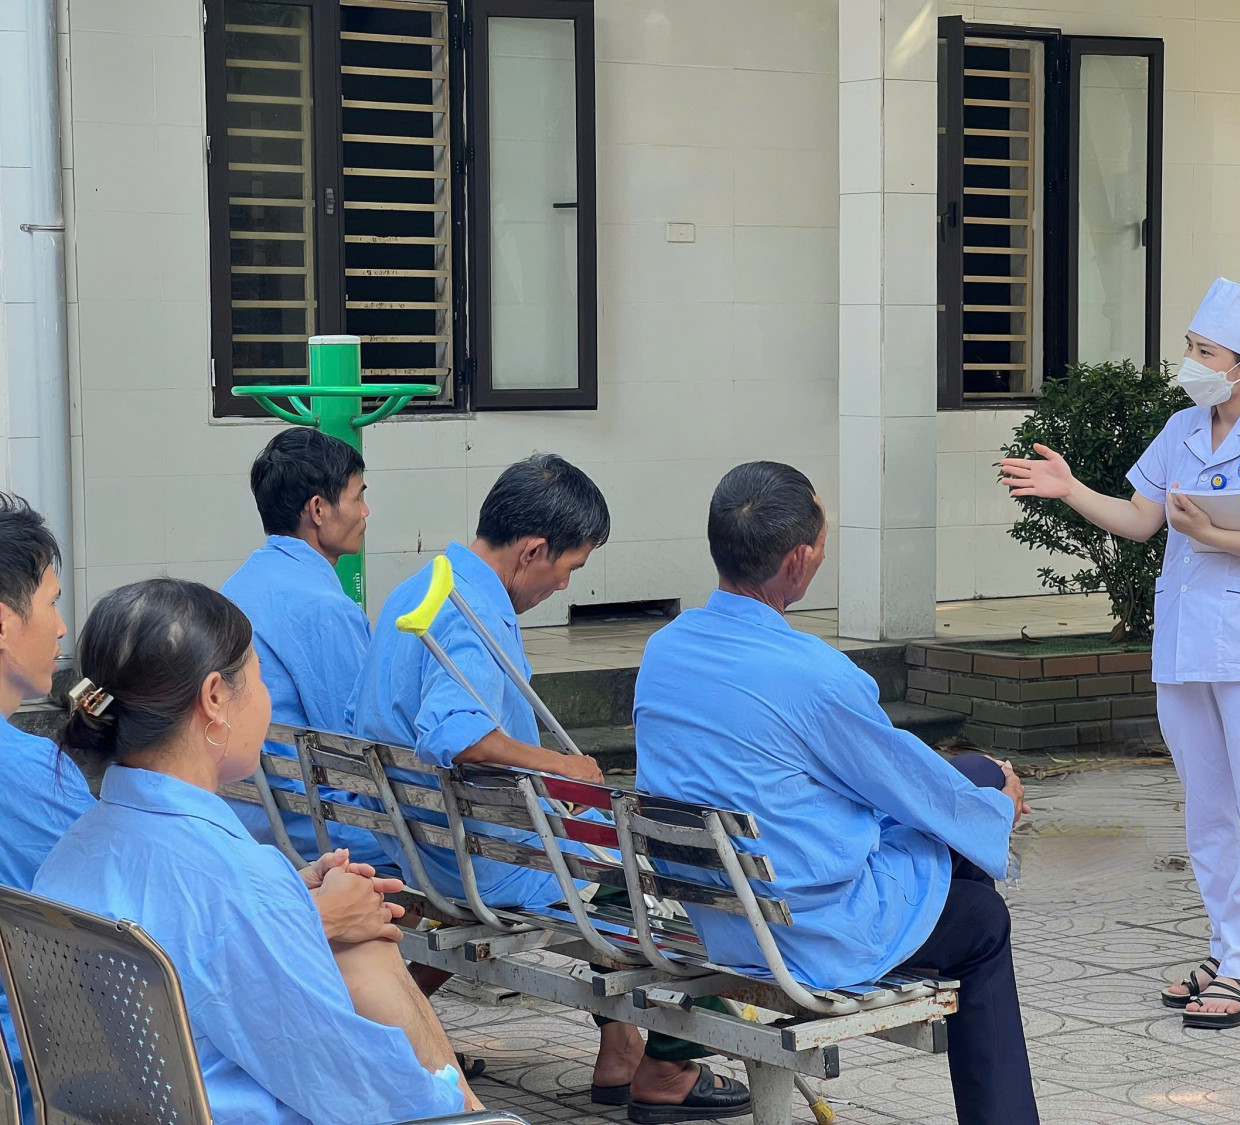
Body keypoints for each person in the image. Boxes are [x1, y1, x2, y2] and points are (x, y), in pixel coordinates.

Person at [348, 452, 751, 1123]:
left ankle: (620, 1052)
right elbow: (454, 732)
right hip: (476, 860)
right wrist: (561, 767)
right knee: (659, 866)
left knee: (610, 854)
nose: (564, 585)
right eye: (570, 567)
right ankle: (669, 1069)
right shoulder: (472, 612)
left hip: (409, 840)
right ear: (533, 550)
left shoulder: (422, 586)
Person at [633, 462, 1040, 1125]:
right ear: (798, 561)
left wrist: (978, 793)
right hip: (802, 932)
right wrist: (999, 801)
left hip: (717, 911)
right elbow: (900, 781)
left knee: (967, 784)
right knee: (981, 917)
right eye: (823, 540)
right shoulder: (815, 674)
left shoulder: (665, 649)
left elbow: (894, 778)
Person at [32, 579, 490, 1123]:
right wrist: (450, 1099)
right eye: (259, 678)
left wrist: (292, 905)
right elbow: (357, 1090)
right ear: (214, 698)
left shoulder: (74, 850)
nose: (267, 699)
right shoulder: (238, 883)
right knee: (368, 954)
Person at [1001, 277, 1240, 1030]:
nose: (1190, 361)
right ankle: (1225, 948)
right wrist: (1070, 488)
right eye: (1190, 346)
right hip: (1184, 645)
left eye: (1204, 351)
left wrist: (1215, 534)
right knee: (1209, 811)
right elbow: (1140, 519)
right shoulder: (1182, 428)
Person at [222, 427, 388, 867]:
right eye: (357, 497)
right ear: (318, 509)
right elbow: (359, 744)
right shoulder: (324, 608)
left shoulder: (238, 585)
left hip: (243, 812)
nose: (366, 511)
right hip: (312, 824)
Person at [0, 494, 94, 1124]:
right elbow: (134, 931)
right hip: (42, 1074)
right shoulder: (31, 775)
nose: (61, 628)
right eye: (52, 602)